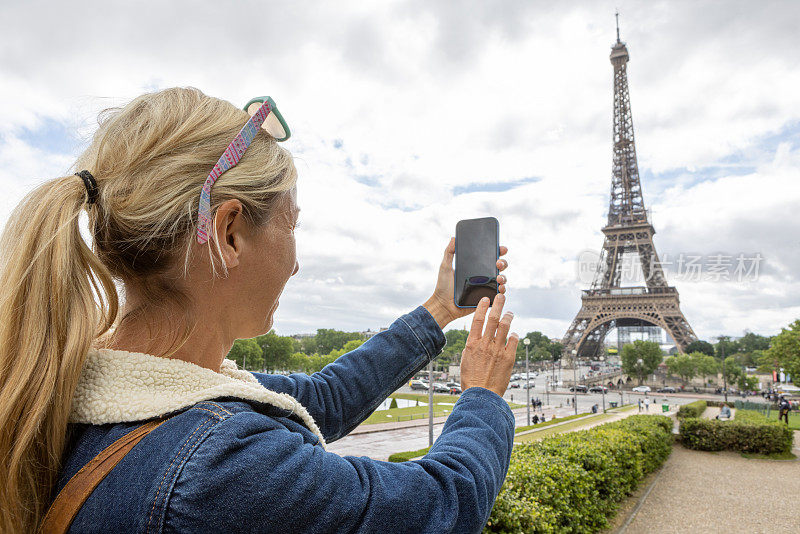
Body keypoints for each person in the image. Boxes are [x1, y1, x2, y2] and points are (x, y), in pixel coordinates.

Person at [0, 88, 520, 533]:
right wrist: (481, 396)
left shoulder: (80, 381)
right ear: (228, 232)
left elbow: (326, 397)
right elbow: (440, 504)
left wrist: (437, 309)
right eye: (291, 225)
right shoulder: (222, 465)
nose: (295, 264)